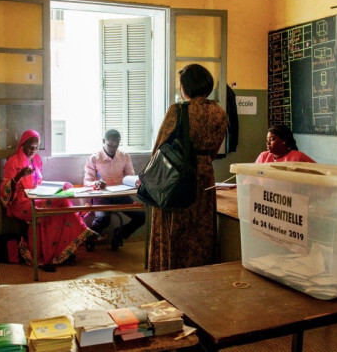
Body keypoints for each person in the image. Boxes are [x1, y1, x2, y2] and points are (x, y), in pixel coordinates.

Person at [148, 64, 228, 272]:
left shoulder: (178, 110)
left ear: (186, 87)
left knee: (174, 226)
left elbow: (159, 147)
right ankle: (200, 272)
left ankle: (169, 271)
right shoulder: (219, 113)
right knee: (200, 227)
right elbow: (215, 149)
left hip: (177, 174)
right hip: (204, 173)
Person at [0, 130, 103, 272]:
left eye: (36, 148)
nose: (33, 150)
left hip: (36, 197)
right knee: (57, 206)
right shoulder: (13, 162)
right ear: (23, 145)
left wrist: (51, 189)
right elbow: (5, 190)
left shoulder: (36, 160)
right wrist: (19, 176)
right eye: (30, 147)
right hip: (21, 203)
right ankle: (80, 227)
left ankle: (56, 254)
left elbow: (39, 183)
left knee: (65, 191)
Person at [83, 129, 145, 251]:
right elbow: (86, 181)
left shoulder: (124, 156)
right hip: (101, 195)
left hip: (120, 195)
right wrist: (96, 183)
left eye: (115, 146)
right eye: (109, 145)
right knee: (103, 220)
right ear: (103, 141)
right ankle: (90, 238)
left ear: (119, 143)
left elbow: (130, 177)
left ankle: (119, 234)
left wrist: (136, 182)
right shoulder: (95, 158)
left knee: (141, 216)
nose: (112, 148)